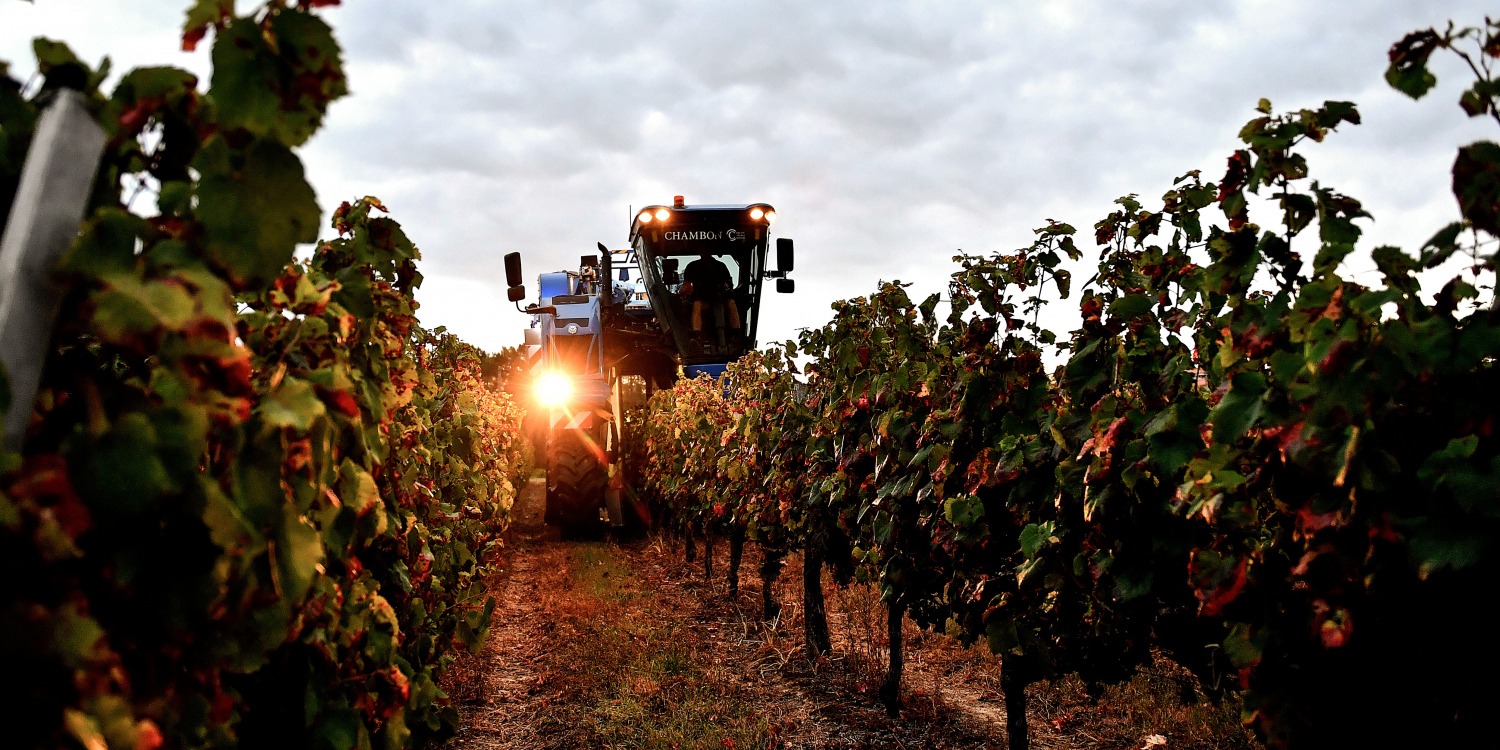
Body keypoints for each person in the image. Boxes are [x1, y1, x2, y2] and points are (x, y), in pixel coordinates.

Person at [679, 251, 741, 336]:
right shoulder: (693, 267)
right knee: (697, 305)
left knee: (731, 303)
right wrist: (684, 291)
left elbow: (728, 283)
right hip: (702, 299)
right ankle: (697, 335)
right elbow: (686, 285)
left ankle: (736, 333)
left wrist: (725, 286)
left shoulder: (720, 266)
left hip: (720, 298)